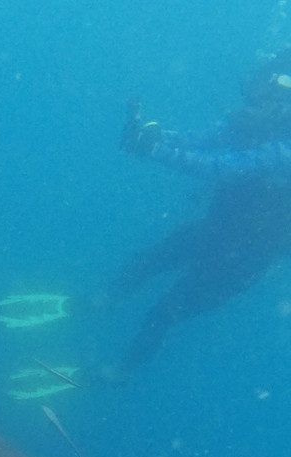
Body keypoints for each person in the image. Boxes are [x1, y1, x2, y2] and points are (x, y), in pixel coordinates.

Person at [116, 49, 291, 373]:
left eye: (258, 87)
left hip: (249, 257)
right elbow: (196, 141)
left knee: (165, 311)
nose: (249, 95)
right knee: (145, 262)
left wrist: (153, 150)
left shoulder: (285, 148)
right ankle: (93, 304)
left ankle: (118, 374)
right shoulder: (252, 123)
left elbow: (219, 168)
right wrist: (153, 136)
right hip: (218, 229)